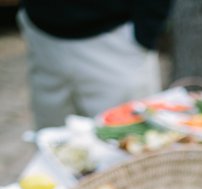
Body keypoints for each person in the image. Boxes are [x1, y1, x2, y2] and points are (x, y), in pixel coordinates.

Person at [18, 1, 173, 129]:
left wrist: (146, 31)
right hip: (42, 36)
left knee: (128, 140)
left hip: (115, 37)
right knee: (53, 143)